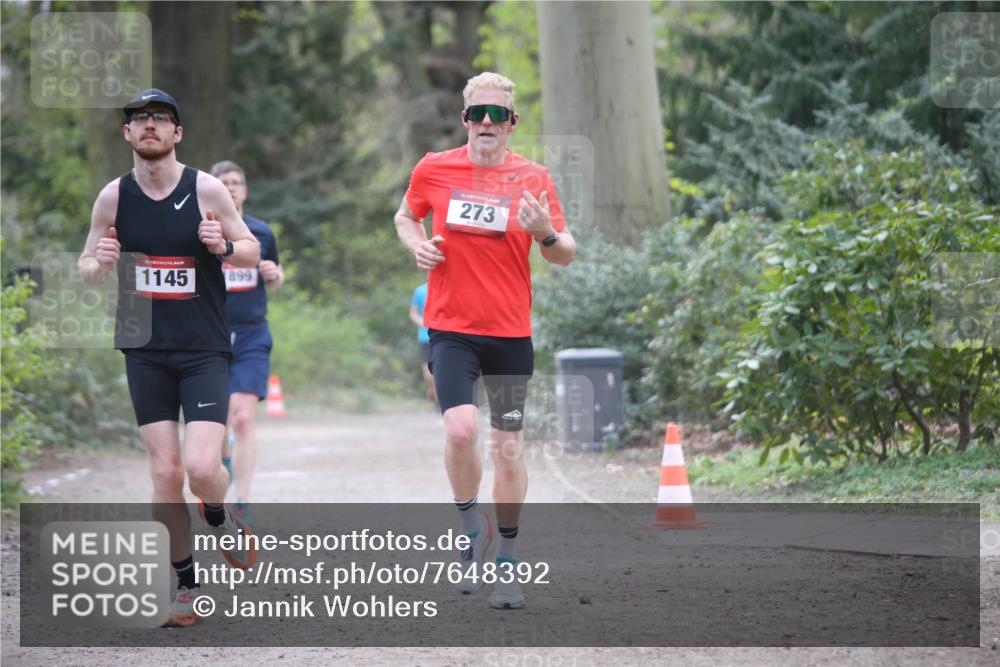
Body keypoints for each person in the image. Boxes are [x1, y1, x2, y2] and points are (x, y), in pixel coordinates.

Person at [78, 89, 261, 627]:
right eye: (139, 119)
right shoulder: (113, 197)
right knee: (164, 472)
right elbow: (88, 266)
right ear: (127, 134)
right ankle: (184, 588)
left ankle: (218, 515)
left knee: (203, 468)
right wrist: (100, 261)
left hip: (203, 346)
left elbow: (249, 247)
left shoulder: (205, 189)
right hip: (143, 347)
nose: (149, 126)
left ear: (177, 133)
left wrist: (222, 246)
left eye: (160, 119)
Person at [393, 72, 576, 609]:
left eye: (499, 115)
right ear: (465, 119)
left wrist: (544, 232)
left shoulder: (534, 177)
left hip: (510, 333)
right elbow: (406, 216)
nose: (488, 123)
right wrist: (417, 245)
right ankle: (471, 524)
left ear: (513, 123)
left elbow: (563, 250)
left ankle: (510, 562)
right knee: (458, 431)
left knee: (509, 448)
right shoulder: (434, 167)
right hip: (451, 328)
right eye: (479, 114)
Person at [211, 160, 284, 525]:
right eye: (224, 182)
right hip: (211, 336)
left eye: (237, 182)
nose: (232, 187)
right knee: (218, 422)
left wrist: (273, 275)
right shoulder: (202, 233)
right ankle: (223, 464)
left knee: (242, 416)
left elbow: (274, 276)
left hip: (253, 333)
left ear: (245, 190)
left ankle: (242, 500)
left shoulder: (260, 232)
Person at [409, 282, 436, 403]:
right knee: (429, 374)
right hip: (425, 338)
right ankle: (433, 389)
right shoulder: (420, 290)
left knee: (442, 373)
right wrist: (422, 323)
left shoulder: (449, 287)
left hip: (444, 337)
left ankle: (440, 407)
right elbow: (413, 313)